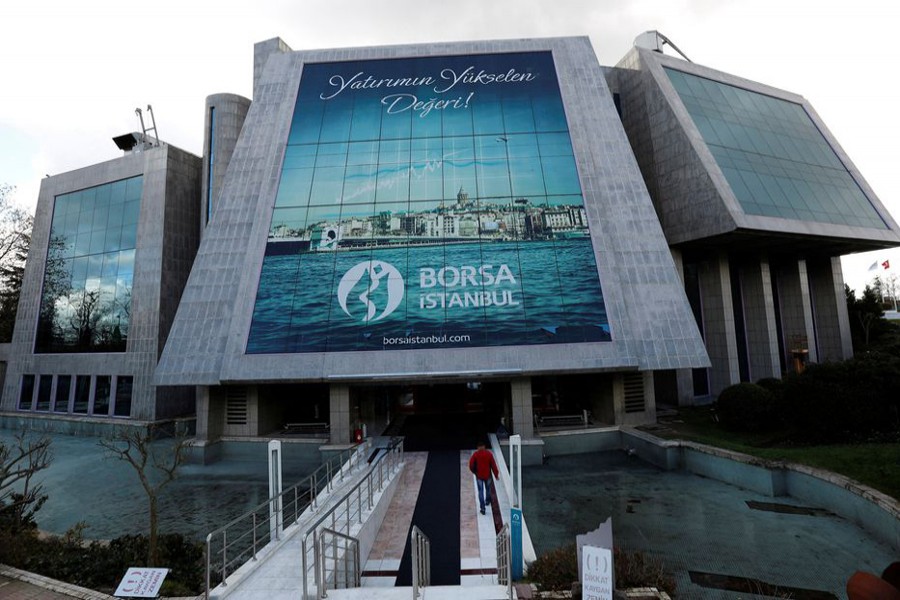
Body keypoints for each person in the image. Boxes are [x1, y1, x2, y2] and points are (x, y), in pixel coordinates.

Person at [469, 439, 499, 515]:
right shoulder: (489, 454)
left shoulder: (475, 455)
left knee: (480, 492)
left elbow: (471, 465)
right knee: (488, 489)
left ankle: (482, 508)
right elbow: (493, 465)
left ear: (478, 447)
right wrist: (496, 475)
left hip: (479, 476)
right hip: (488, 475)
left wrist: (474, 472)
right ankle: (487, 501)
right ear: (484, 446)